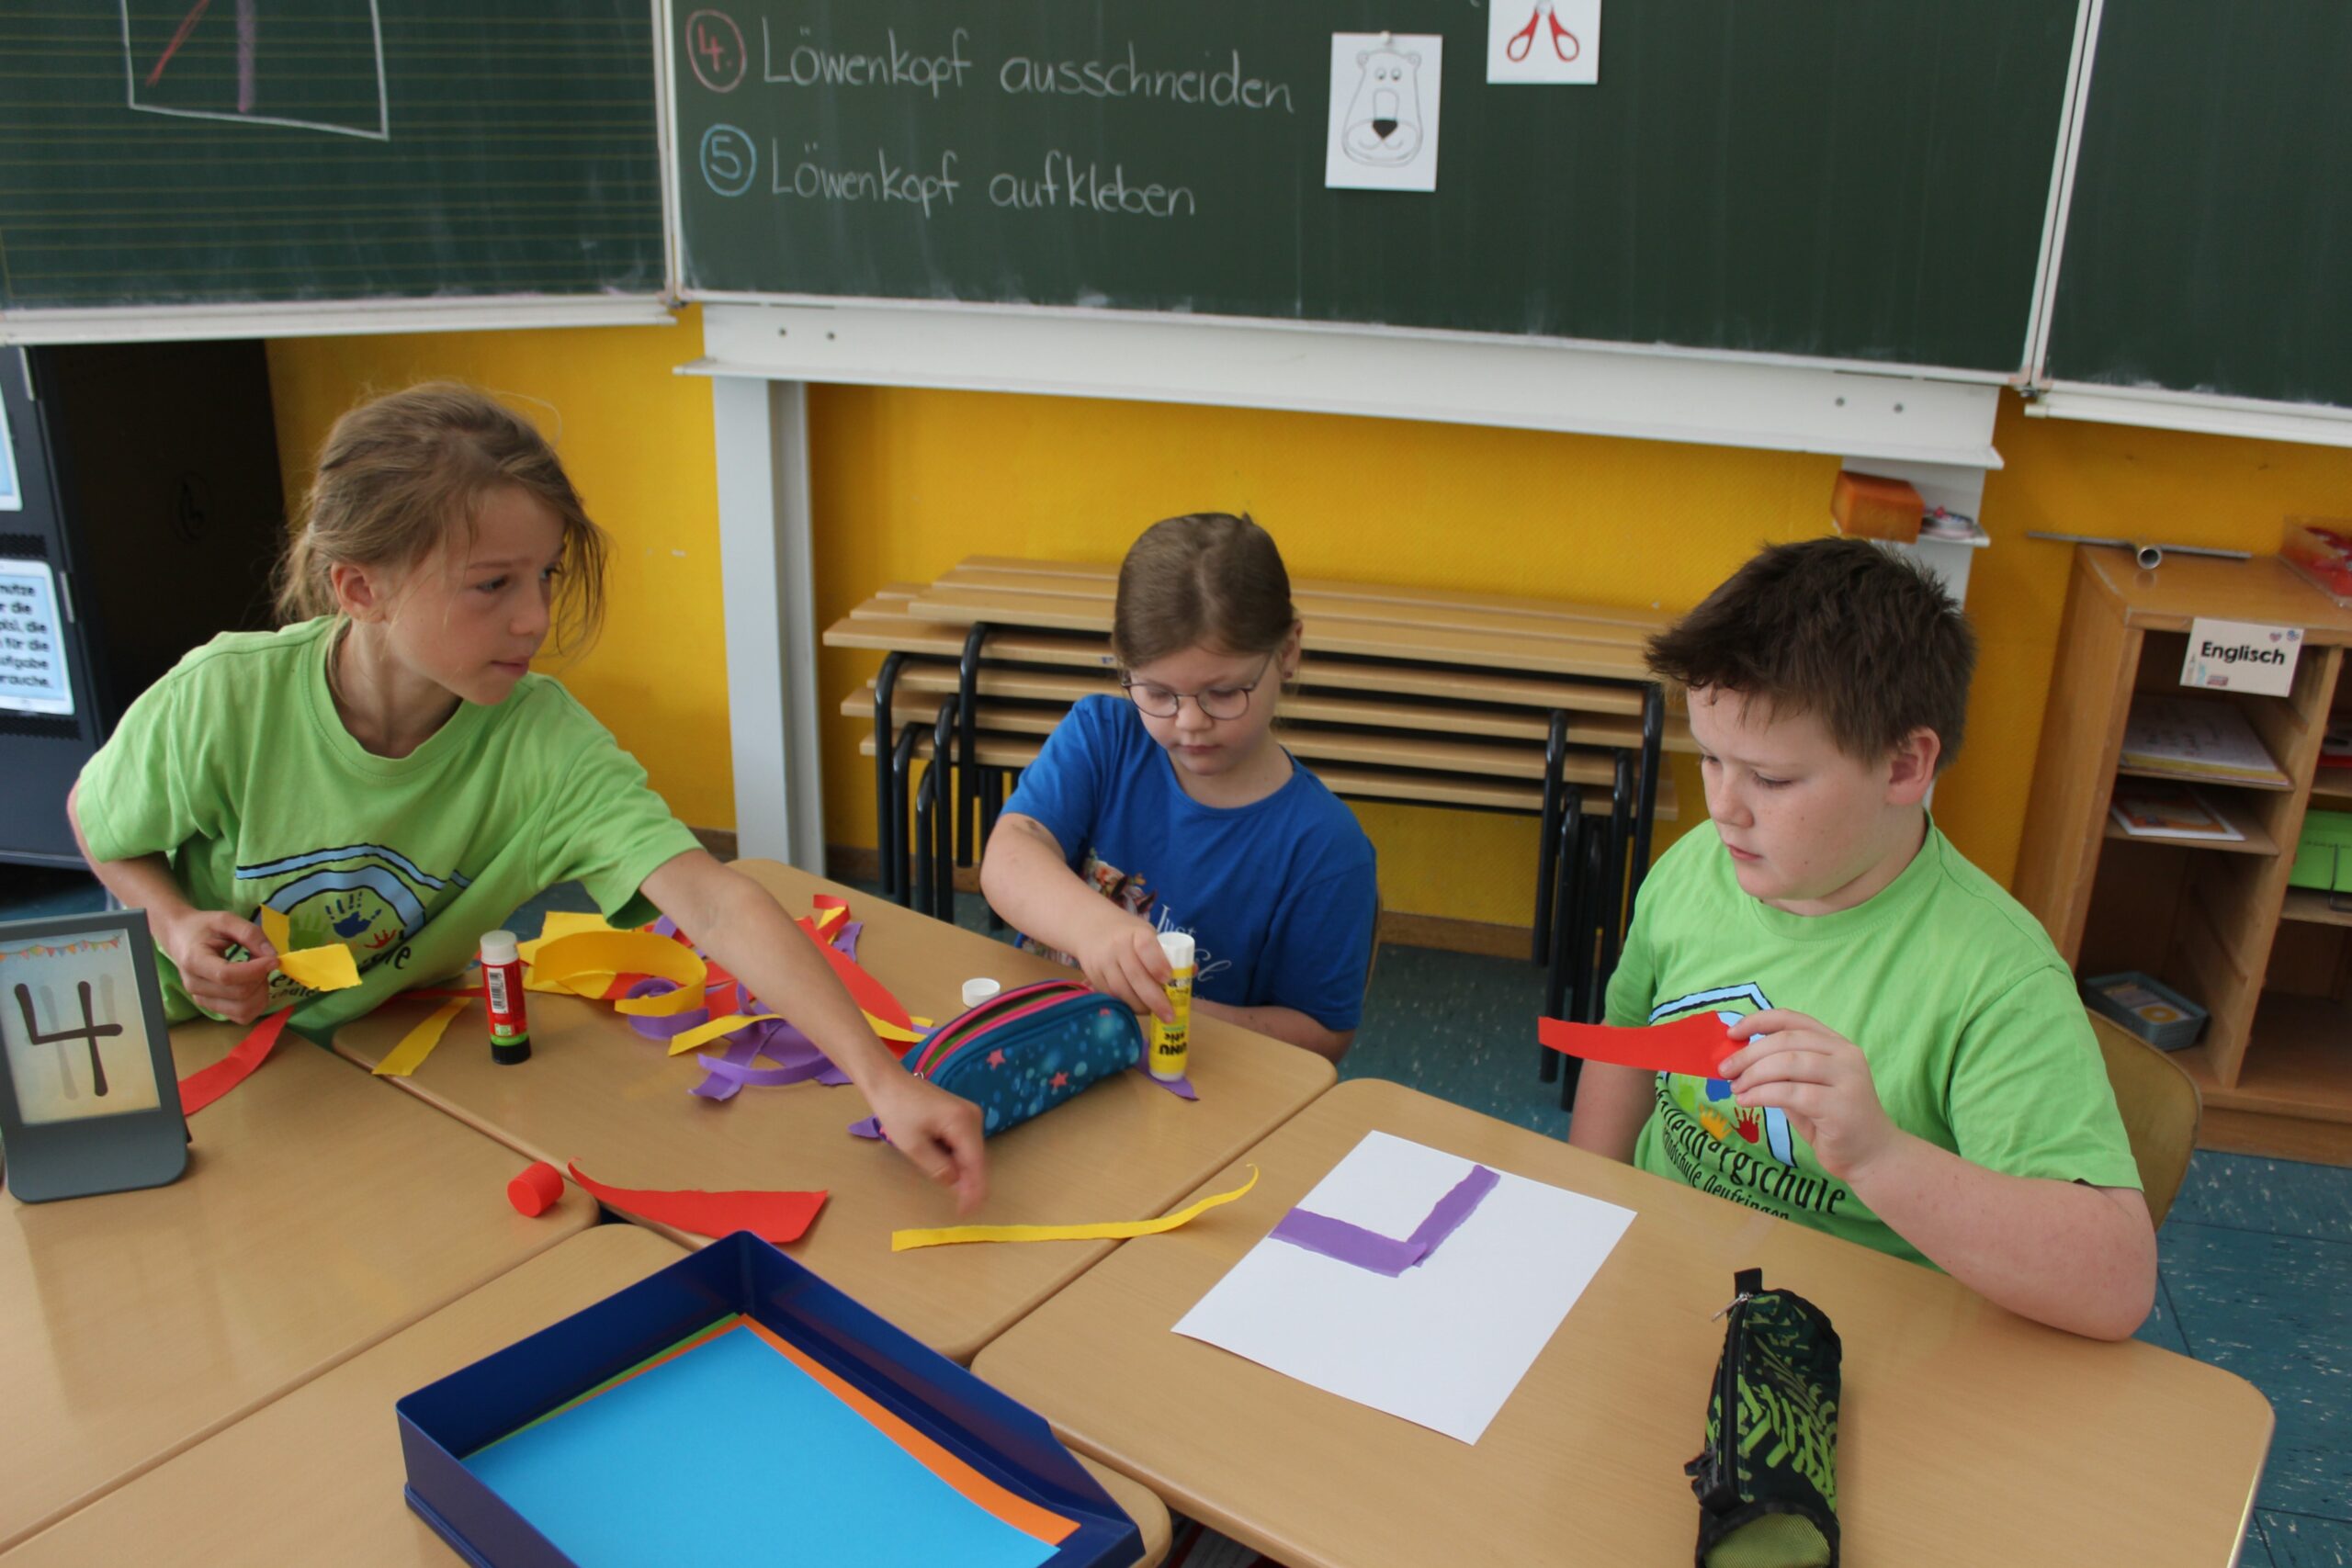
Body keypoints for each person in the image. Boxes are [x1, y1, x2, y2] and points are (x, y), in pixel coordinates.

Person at [67, 382, 984, 1210]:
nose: (535, 617)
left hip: (356, 1067)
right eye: (492, 585)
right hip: (165, 1046)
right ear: (360, 587)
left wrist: (880, 1077)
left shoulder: (542, 742)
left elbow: (711, 899)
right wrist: (173, 922)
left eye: (543, 574)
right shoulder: (224, 697)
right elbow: (97, 822)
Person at [1568, 536, 2156, 1339]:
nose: (1723, 808)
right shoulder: (1696, 869)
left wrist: (1880, 1155)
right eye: (1710, 758)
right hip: (1662, 1288)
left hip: (1853, 1347)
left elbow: (2116, 1281)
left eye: (1770, 779)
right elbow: (1624, 1044)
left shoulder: (1995, 978)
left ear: (1905, 765)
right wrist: (1581, 1216)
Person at [979, 513, 1377, 1061]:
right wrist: (1094, 928)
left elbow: (1322, 1036)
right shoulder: (1103, 737)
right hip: (1038, 1049)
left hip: (1190, 1088)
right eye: (1159, 693)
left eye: (1223, 693)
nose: (1189, 722)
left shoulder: (1326, 849)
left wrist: (1164, 1005)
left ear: (1287, 652)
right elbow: (1008, 856)